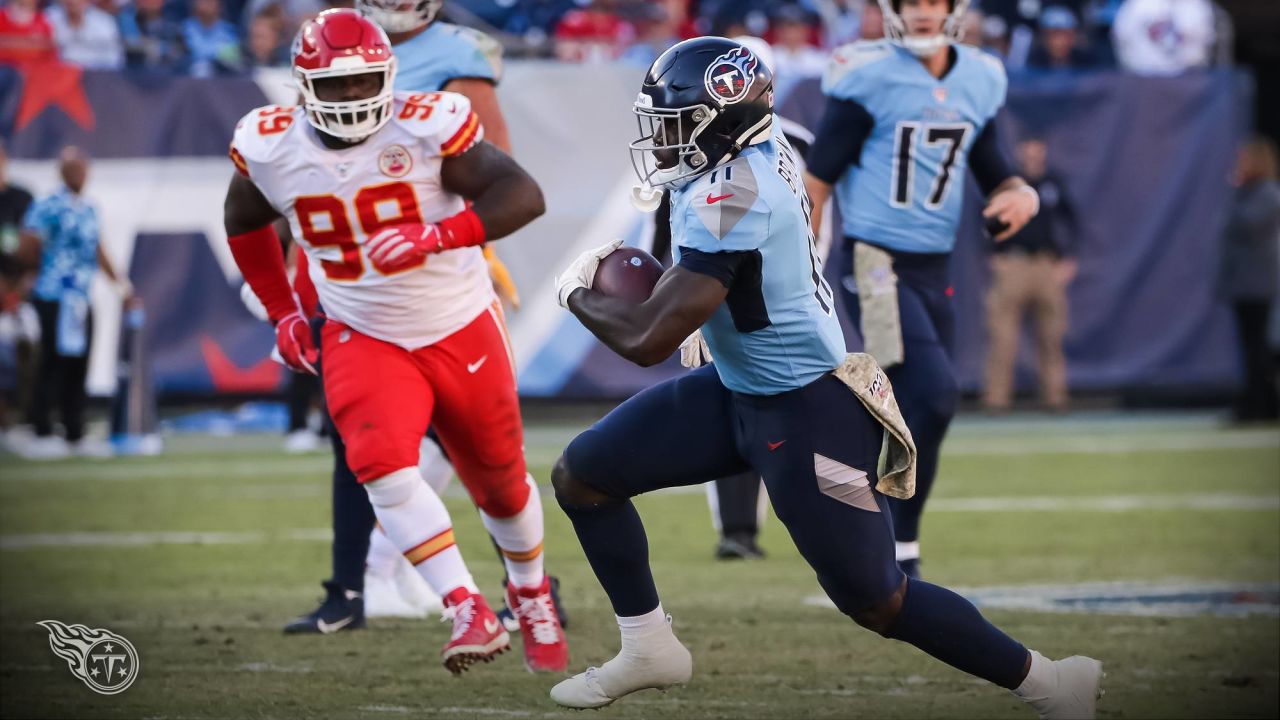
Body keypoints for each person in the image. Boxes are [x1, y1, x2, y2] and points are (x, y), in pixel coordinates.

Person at [546, 36, 1101, 717]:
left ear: (721, 120)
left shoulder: (736, 191)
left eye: (675, 125)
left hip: (805, 409)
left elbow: (647, 339)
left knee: (879, 600)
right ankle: (648, 646)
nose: (662, 143)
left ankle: (1050, 681)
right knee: (586, 476)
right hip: (739, 386)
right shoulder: (752, 146)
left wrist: (577, 292)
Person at [225, 9, 567, 674]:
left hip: (457, 321)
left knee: (499, 484)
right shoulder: (272, 144)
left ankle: (529, 595)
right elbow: (243, 220)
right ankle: (464, 604)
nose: (353, 98)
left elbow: (523, 195)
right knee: (377, 461)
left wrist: (438, 234)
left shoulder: (426, 124)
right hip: (362, 328)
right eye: (337, 86)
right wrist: (283, 312)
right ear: (302, 87)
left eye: (364, 83)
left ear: (387, 77)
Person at [802, 0, 1040, 578]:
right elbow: (816, 180)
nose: (924, 12)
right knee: (932, 394)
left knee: (928, 408)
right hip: (876, 261)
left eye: (935, 1)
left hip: (934, 267)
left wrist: (1020, 192)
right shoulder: (869, 74)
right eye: (912, 2)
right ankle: (865, 507)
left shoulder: (979, 76)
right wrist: (802, 262)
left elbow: (991, 164)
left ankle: (899, 544)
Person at [18, 147, 133, 459]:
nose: (80, 175)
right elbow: (28, 245)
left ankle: (74, 431)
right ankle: (40, 429)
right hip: (53, 294)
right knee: (52, 361)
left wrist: (122, 287)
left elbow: (98, 249)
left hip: (80, 298)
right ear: (63, 172)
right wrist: (29, 277)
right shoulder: (48, 205)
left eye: (83, 168)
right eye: (74, 169)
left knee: (78, 363)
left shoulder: (89, 208)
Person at [983, 137, 1079, 413]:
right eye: (1029, 151)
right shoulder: (1010, 186)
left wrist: (1068, 259)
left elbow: (1072, 221)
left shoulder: (1052, 184)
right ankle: (996, 399)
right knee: (1003, 335)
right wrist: (994, 255)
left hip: (1045, 264)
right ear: (1021, 152)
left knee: (1052, 334)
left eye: (1038, 151)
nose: (1033, 156)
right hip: (1013, 263)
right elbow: (988, 219)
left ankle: (1055, 397)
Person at [1218, 136, 1280, 422]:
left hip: (1258, 284)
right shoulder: (1250, 193)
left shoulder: (1268, 192)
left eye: (1244, 160)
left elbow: (1247, 225)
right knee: (1251, 347)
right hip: (1246, 284)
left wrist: (1237, 190)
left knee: (1258, 347)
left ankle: (1262, 404)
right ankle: (1258, 402)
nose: (1238, 165)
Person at [46, 0, 125, 70]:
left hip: (97, 76)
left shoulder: (105, 22)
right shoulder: (48, 18)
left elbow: (114, 59)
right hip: (59, 75)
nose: (73, 2)